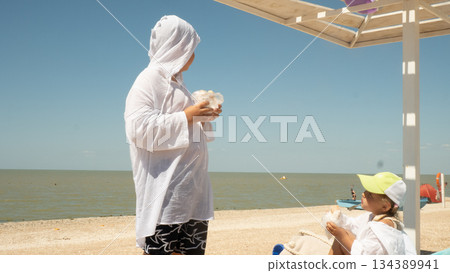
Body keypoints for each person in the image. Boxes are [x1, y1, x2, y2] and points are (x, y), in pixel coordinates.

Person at [124, 15, 222, 255]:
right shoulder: (147, 81)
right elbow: (138, 129)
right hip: (165, 197)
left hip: (191, 194)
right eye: (190, 48)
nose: (193, 54)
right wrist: (188, 115)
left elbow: (190, 131)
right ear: (177, 47)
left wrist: (204, 116)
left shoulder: (179, 84)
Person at [326, 172, 416, 255]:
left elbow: (366, 256)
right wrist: (338, 216)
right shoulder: (372, 216)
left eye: (369, 194)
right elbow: (353, 225)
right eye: (365, 190)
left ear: (385, 206)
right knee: (341, 237)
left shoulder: (384, 229)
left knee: (341, 238)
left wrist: (342, 236)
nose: (363, 194)